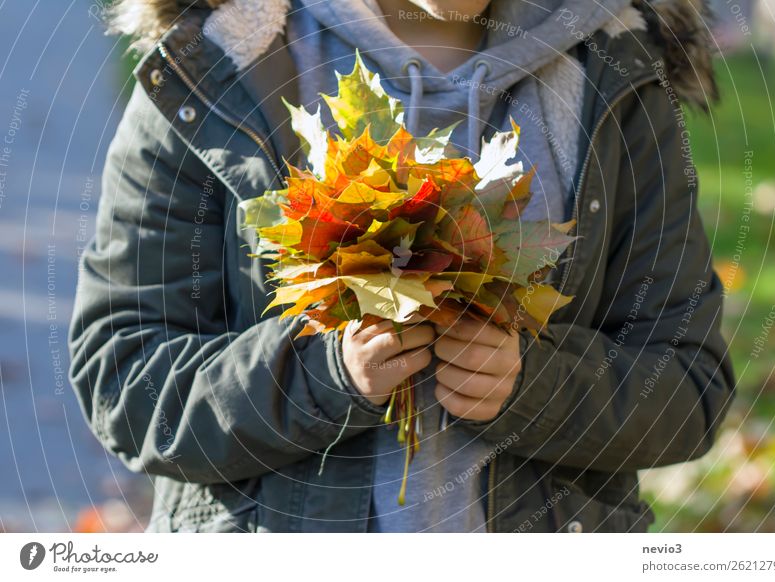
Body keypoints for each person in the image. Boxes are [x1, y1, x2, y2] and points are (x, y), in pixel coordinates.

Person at [69, 0, 735, 532]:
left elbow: (687, 383)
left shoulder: (613, 73)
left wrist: (534, 386)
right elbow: (123, 376)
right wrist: (320, 376)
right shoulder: (223, 63)